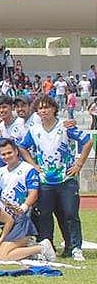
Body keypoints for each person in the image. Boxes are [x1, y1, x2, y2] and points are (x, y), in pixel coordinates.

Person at [18, 94, 92, 261]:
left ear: (54, 109)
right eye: (40, 108)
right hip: (45, 180)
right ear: (36, 111)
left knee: (70, 213)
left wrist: (79, 164)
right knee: (44, 215)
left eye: (47, 107)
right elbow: (22, 147)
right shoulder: (34, 130)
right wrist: (33, 165)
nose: (44, 111)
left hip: (66, 179)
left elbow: (87, 142)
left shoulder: (65, 127)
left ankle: (75, 247)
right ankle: (47, 245)